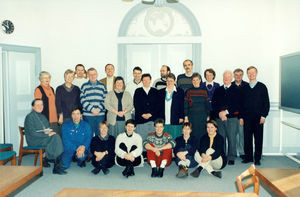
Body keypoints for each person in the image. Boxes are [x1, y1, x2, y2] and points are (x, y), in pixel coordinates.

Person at [24, 99, 66, 175]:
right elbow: (32, 133)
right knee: (55, 138)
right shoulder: (29, 117)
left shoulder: (43, 116)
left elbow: (48, 128)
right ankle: (56, 163)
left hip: (43, 138)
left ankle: (54, 162)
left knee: (55, 136)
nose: (40, 106)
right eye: (37, 105)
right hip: (34, 140)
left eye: (41, 105)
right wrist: (46, 134)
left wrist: (49, 132)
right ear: (33, 107)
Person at [240, 66, 270, 165]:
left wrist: (263, 116)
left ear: (256, 74)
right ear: (247, 74)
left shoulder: (262, 87)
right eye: (249, 73)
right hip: (247, 118)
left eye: (253, 73)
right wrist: (241, 117)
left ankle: (257, 158)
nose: (251, 74)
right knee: (247, 138)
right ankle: (248, 157)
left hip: (258, 118)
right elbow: (241, 104)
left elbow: (266, 103)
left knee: (258, 139)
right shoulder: (244, 88)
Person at [212, 70, 241, 165]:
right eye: (224, 77)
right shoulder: (218, 90)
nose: (226, 79)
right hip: (219, 119)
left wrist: (226, 112)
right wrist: (220, 113)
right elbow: (214, 104)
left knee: (232, 138)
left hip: (232, 119)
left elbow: (237, 105)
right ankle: (222, 156)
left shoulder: (236, 90)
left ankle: (231, 157)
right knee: (221, 138)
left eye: (228, 77)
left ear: (231, 78)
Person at [184, 72, 210, 148]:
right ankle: (193, 150)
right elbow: (186, 105)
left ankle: (201, 150)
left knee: (202, 133)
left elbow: (207, 104)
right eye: (193, 80)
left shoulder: (204, 91)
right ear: (192, 81)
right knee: (193, 133)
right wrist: (186, 116)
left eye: (197, 80)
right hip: (192, 116)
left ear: (200, 80)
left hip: (202, 116)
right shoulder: (188, 91)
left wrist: (208, 115)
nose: (195, 82)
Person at [80, 68, 107, 136]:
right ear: (88, 75)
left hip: (100, 115)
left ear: (97, 75)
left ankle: (98, 147)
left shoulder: (102, 85)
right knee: (88, 135)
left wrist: (98, 109)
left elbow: (105, 100)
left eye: (94, 74)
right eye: (90, 74)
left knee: (100, 135)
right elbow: (83, 100)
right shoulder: (84, 86)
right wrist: (92, 109)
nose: (92, 76)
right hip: (88, 115)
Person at [158, 73, 184, 139]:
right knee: (164, 138)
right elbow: (158, 107)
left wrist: (181, 116)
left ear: (175, 81)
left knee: (175, 137)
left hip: (176, 118)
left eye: (171, 81)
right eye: (168, 81)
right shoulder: (160, 92)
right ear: (166, 81)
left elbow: (182, 105)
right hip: (164, 118)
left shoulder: (180, 92)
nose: (169, 82)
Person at [134, 73, 159, 140]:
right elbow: (136, 104)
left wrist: (151, 114)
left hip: (152, 118)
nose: (146, 82)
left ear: (150, 80)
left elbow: (157, 105)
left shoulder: (155, 91)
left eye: (148, 80)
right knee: (141, 138)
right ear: (142, 81)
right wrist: (142, 114)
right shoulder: (138, 91)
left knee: (151, 138)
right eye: (144, 80)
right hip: (140, 119)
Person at [34, 71, 60, 135]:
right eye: (45, 78)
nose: (47, 79)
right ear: (41, 79)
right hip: (45, 119)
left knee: (55, 138)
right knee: (48, 139)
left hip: (54, 119)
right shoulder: (38, 90)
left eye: (48, 78)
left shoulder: (51, 89)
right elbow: (38, 107)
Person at [231, 68, 248, 160]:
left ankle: (242, 152)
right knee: (233, 135)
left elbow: (246, 103)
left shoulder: (247, 86)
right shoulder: (230, 85)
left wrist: (241, 116)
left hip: (243, 115)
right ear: (234, 76)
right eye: (236, 75)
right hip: (232, 115)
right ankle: (233, 153)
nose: (238, 76)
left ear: (242, 75)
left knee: (242, 135)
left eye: (240, 74)